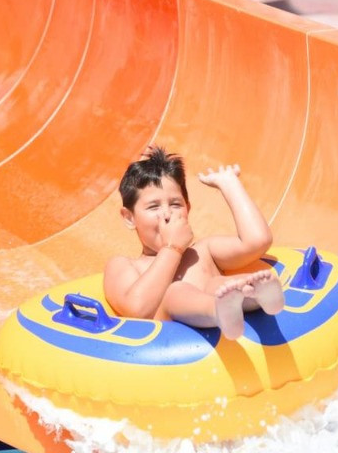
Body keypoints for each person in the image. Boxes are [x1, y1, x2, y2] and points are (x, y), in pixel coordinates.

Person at [103, 146, 285, 340]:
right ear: (129, 218)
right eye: (153, 207)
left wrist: (229, 184)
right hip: (171, 347)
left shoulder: (204, 251)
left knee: (217, 285)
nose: (167, 214)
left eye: (175, 204)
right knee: (176, 291)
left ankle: (255, 294)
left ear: (187, 209)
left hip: (229, 323)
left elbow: (257, 241)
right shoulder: (124, 266)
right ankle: (219, 310)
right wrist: (172, 248)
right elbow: (137, 310)